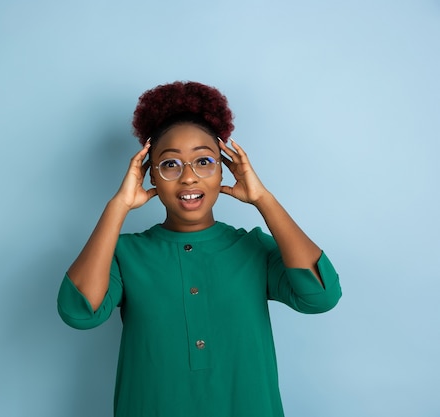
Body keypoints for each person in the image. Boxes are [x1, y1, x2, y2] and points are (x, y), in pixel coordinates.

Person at [57, 81, 342, 417]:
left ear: (224, 168)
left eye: (204, 161)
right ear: (150, 176)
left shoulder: (252, 248)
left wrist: (263, 200)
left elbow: (321, 296)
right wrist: (117, 207)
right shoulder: (124, 254)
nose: (189, 177)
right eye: (171, 164)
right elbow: (78, 312)